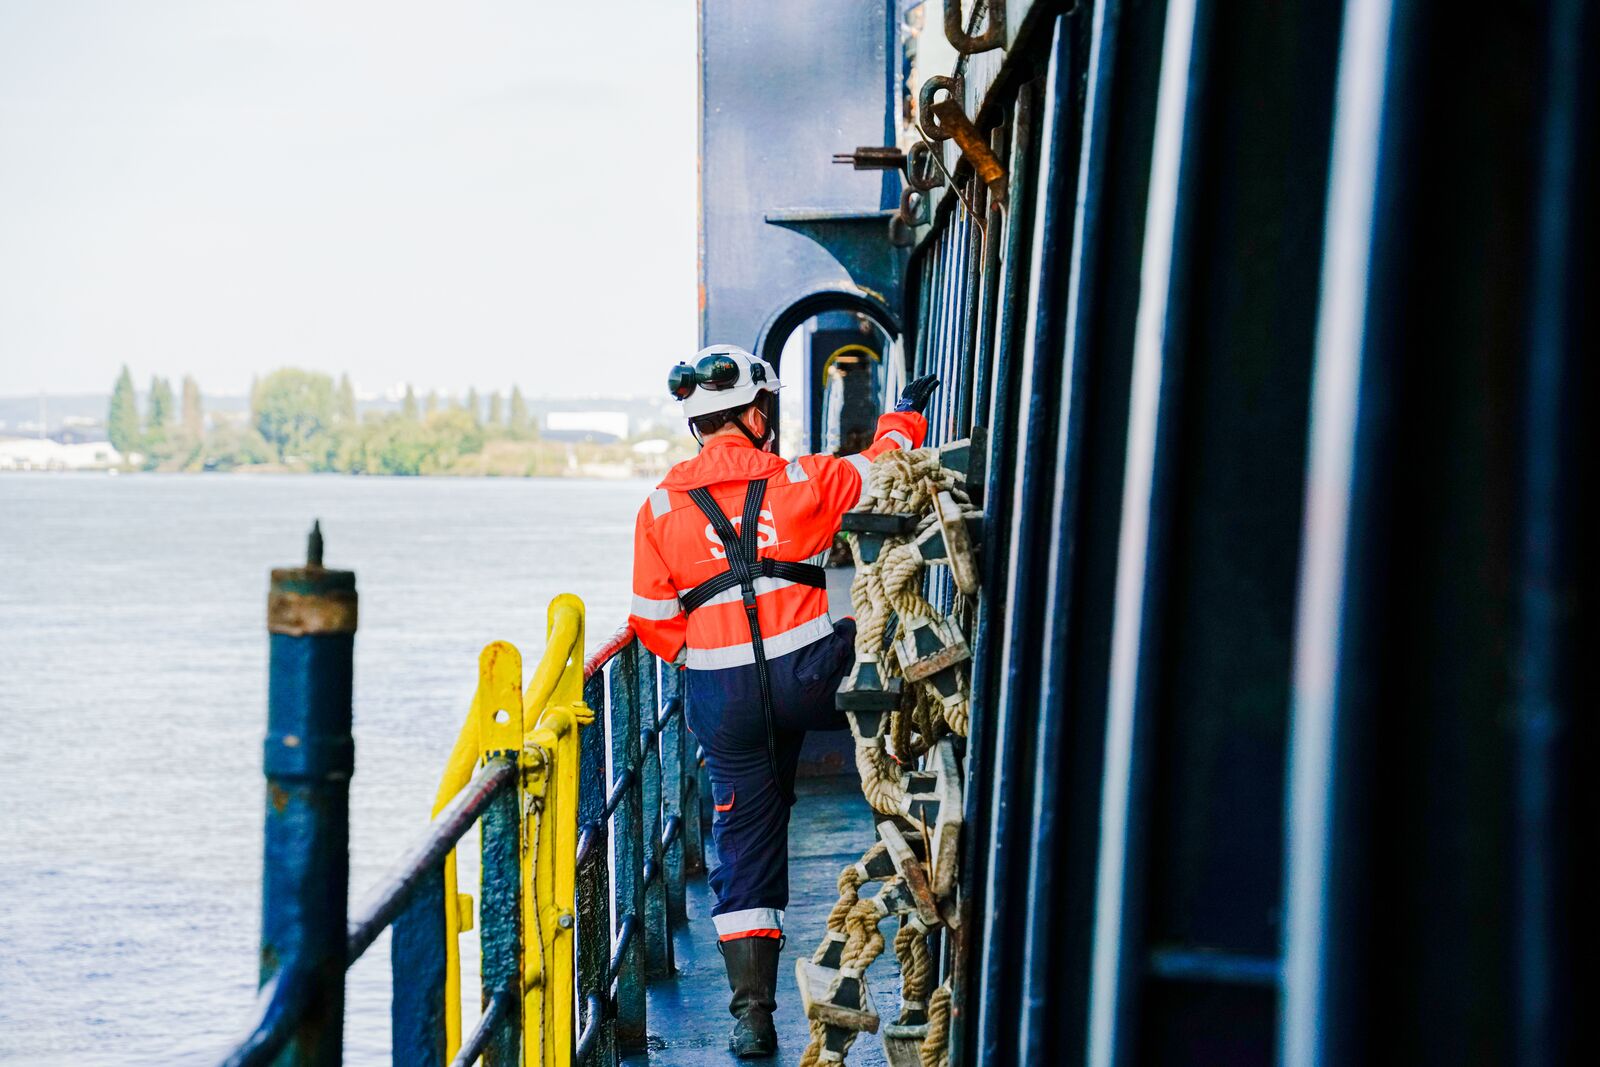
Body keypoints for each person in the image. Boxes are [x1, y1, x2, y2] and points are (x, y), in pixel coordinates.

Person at [627, 344, 939, 1057]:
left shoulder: (658, 507)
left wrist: (710, 658)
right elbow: (884, 465)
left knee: (743, 843)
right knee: (877, 638)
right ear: (758, 413)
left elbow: (651, 621)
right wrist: (907, 413)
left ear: (697, 424)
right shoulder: (804, 480)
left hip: (725, 697)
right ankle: (918, 782)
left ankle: (751, 1018)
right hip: (813, 680)